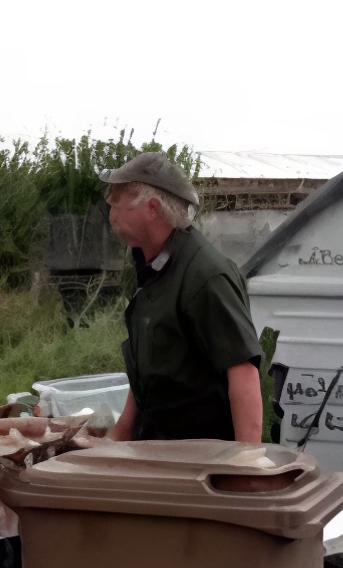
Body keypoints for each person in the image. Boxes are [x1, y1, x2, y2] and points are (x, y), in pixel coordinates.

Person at [99, 151, 264, 443]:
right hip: (158, 453)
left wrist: (246, 465)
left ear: (151, 208)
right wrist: (120, 433)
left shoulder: (206, 276)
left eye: (117, 201)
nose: (111, 212)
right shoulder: (149, 268)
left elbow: (243, 372)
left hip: (201, 461)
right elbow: (150, 371)